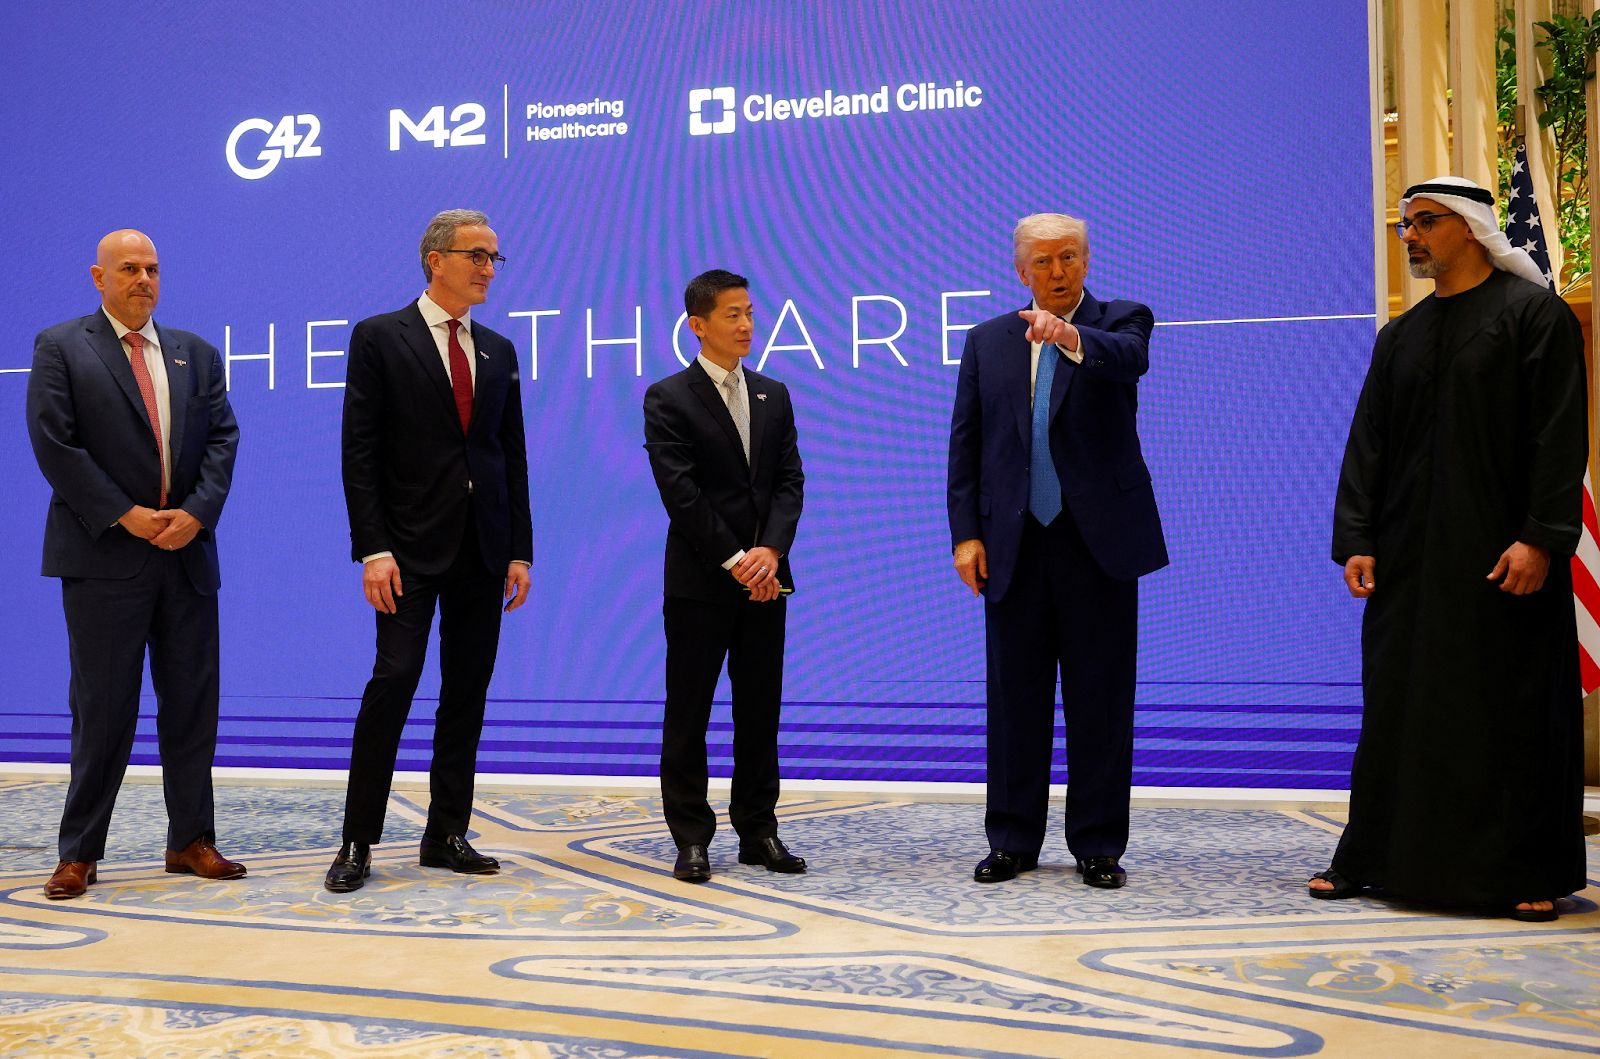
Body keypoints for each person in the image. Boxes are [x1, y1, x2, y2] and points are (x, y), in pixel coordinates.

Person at [1314, 176, 1587, 922]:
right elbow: (1368, 445)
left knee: (1508, 711)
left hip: (1504, 561)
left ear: (1469, 227)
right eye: (1405, 225)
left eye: (1425, 223)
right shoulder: (1400, 335)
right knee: (1400, 707)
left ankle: (1527, 869)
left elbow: (1559, 442)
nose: (1411, 238)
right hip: (1409, 563)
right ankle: (1371, 856)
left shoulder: (1535, 317)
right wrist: (1358, 539)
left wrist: (1540, 537)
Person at [947, 213, 1167, 888]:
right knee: (1015, 698)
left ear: (1086, 261)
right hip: (1013, 542)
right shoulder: (987, 341)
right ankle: (1012, 837)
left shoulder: (1122, 321)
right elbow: (968, 443)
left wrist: (1068, 335)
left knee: (1100, 698)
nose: (1057, 271)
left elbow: (1127, 361)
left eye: (1068, 258)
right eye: (1042, 262)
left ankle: (1098, 843)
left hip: (1095, 543)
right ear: (1021, 271)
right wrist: (965, 533)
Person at [27, 229, 243, 899]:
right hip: (103, 557)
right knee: (103, 707)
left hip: (185, 556)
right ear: (99, 277)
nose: (143, 278)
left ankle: (190, 840)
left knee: (191, 705)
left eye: (152, 267)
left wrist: (196, 513)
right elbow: (55, 444)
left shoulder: (196, 354)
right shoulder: (62, 347)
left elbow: (223, 439)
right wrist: (126, 514)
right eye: (129, 268)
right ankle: (80, 851)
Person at [325, 209, 533, 893]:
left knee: (466, 694)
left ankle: (446, 832)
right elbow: (361, 452)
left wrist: (520, 549)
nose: (487, 269)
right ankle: (358, 839)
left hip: (483, 547)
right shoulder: (381, 337)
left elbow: (511, 456)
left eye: (494, 258)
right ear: (435, 258)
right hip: (407, 550)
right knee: (394, 682)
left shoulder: (499, 349)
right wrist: (372, 548)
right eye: (476, 255)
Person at [642, 269, 806, 883]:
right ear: (698, 325)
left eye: (749, 313)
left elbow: (790, 480)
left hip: (768, 579)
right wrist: (738, 560)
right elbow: (680, 494)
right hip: (701, 583)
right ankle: (691, 837)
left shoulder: (773, 393)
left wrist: (770, 552)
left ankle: (758, 830)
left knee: (760, 709)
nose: (745, 325)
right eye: (732, 314)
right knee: (689, 710)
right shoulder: (669, 397)